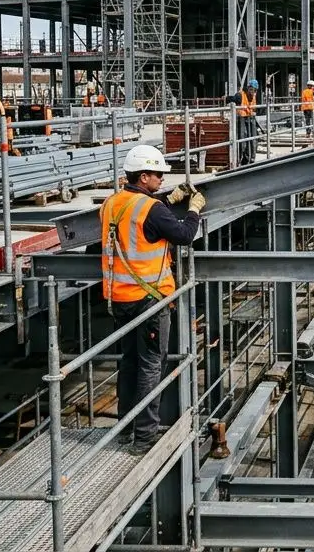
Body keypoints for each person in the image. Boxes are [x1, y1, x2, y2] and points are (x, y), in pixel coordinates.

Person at [100, 144, 207, 455]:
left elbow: (138, 218)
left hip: (118, 298)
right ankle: (144, 437)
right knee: (150, 365)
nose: (162, 179)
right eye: (158, 175)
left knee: (130, 362)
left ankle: (125, 428)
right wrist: (193, 209)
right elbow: (184, 234)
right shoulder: (152, 210)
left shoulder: (111, 203)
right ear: (143, 175)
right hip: (148, 299)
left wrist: (168, 199)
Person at [225, 79, 260, 166]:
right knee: (242, 141)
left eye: (255, 90)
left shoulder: (254, 96)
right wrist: (226, 98)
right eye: (251, 89)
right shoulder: (240, 95)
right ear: (248, 88)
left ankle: (250, 159)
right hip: (241, 120)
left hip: (250, 119)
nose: (253, 92)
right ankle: (240, 160)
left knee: (253, 140)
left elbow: (256, 108)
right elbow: (232, 99)